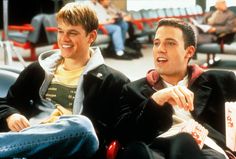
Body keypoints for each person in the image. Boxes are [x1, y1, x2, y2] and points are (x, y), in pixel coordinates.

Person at [0, 2, 130, 158]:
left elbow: (125, 131)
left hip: (74, 148)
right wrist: (11, 115)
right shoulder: (38, 69)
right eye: (60, 31)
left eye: (73, 33)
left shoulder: (114, 81)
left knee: (83, 126)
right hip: (32, 143)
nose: (64, 39)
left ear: (91, 36)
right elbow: (6, 103)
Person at [115, 18, 236, 159]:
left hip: (206, 149)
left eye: (170, 43)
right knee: (138, 152)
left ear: (189, 52)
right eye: (156, 43)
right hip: (155, 149)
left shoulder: (221, 81)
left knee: (184, 142)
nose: (160, 49)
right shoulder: (132, 89)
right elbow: (123, 137)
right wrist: (155, 101)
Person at [193, 0, 236, 67]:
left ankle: (192, 54)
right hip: (205, 32)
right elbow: (203, 22)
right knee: (193, 35)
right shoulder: (211, 13)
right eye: (218, 4)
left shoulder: (230, 14)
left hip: (217, 35)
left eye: (223, 3)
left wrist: (215, 29)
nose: (224, 5)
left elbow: (229, 28)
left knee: (194, 39)